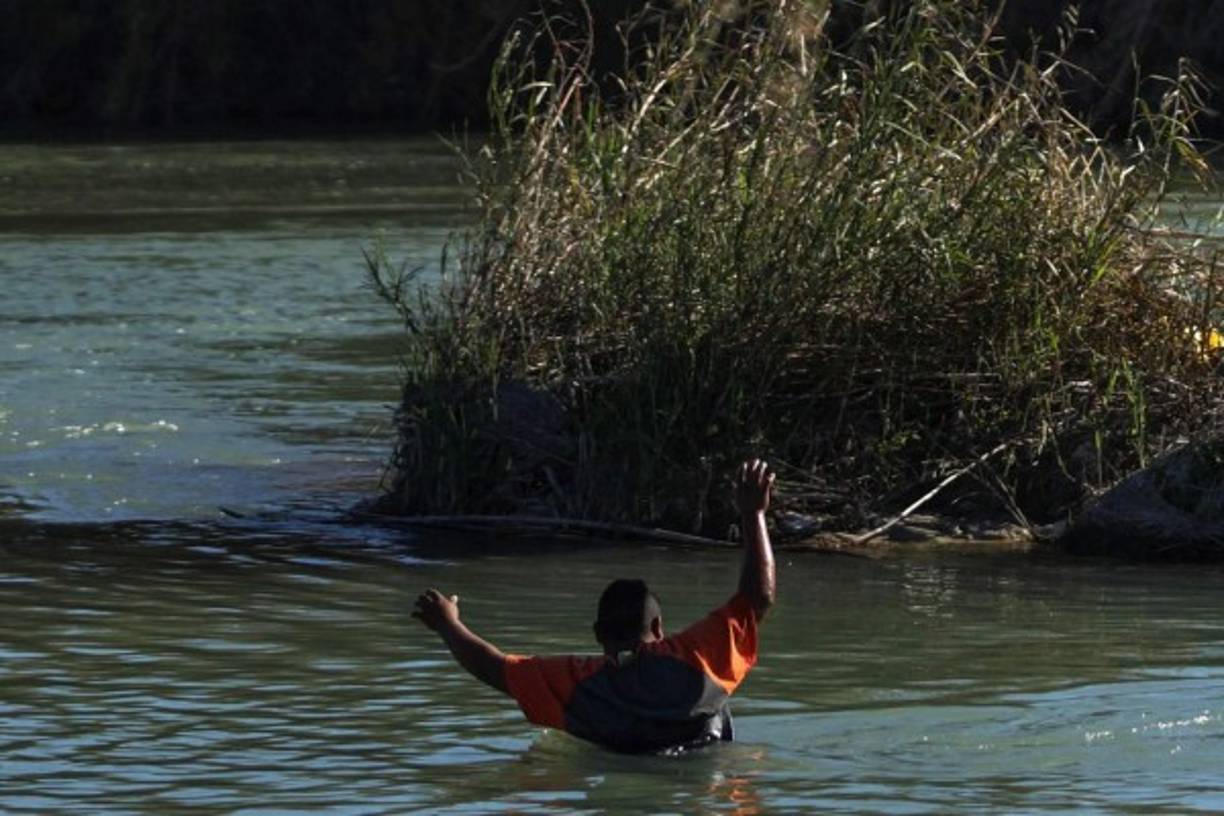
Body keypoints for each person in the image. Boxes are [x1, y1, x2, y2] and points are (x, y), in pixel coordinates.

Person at [412, 458, 776, 753]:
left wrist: (448, 623)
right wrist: (753, 514)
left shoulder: (578, 683)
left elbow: (492, 667)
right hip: (705, 780)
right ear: (658, 628)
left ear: (599, 635)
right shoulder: (695, 658)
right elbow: (756, 598)